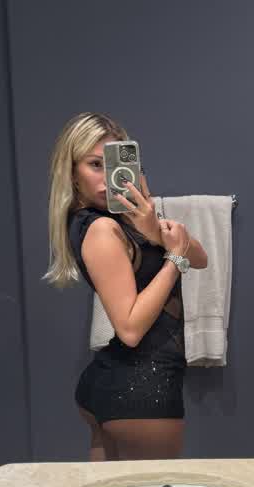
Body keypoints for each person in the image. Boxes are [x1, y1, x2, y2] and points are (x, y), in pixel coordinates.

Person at [44, 112, 208, 461]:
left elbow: (200, 257)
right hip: (141, 388)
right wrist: (173, 259)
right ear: (72, 173)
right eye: (95, 164)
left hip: (120, 381)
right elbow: (130, 329)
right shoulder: (102, 230)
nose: (108, 177)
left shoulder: (128, 219)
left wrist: (154, 230)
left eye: (115, 165)